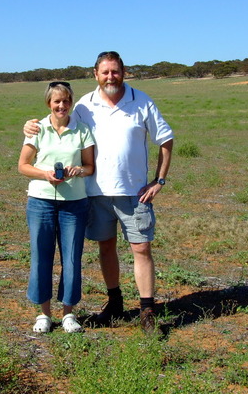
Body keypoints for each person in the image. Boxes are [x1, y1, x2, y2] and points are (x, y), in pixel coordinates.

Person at [24, 52, 174, 332]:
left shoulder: (142, 101)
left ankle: (147, 310)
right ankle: (114, 302)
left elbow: (165, 139)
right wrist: (31, 126)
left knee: (141, 248)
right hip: (95, 193)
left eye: (115, 71)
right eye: (105, 72)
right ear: (95, 74)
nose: (110, 77)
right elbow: (58, 120)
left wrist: (159, 181)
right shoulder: (84, 106)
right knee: (106, 246)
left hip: (135, 192)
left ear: (124, 72)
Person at [18, 81, 95, 333]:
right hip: (40, 202)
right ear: (49, 103)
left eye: (66, 101)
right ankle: (43, 313)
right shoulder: (37, 129)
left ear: (71, 103)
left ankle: (68, 313)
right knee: (41, 257)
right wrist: (46, 175)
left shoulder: (82, 130)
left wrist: (77, 170)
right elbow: (23, 166)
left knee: (71, 258)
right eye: (56, 101)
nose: (62, 106)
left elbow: (90, 167)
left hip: (74, 204)